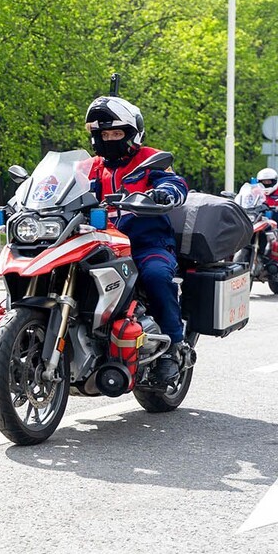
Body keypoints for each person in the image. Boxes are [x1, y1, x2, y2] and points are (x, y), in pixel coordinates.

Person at [84, 96, 188, 383]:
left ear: (132, 134)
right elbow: (65, 187)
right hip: (101, 244)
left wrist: (164, 193)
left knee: (156, 276)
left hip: (146, 243)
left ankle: (173, 348)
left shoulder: (150, 159)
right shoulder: (92, 166)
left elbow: (173, 182)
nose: (110, 139)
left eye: (116, 133)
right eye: (104, 135)